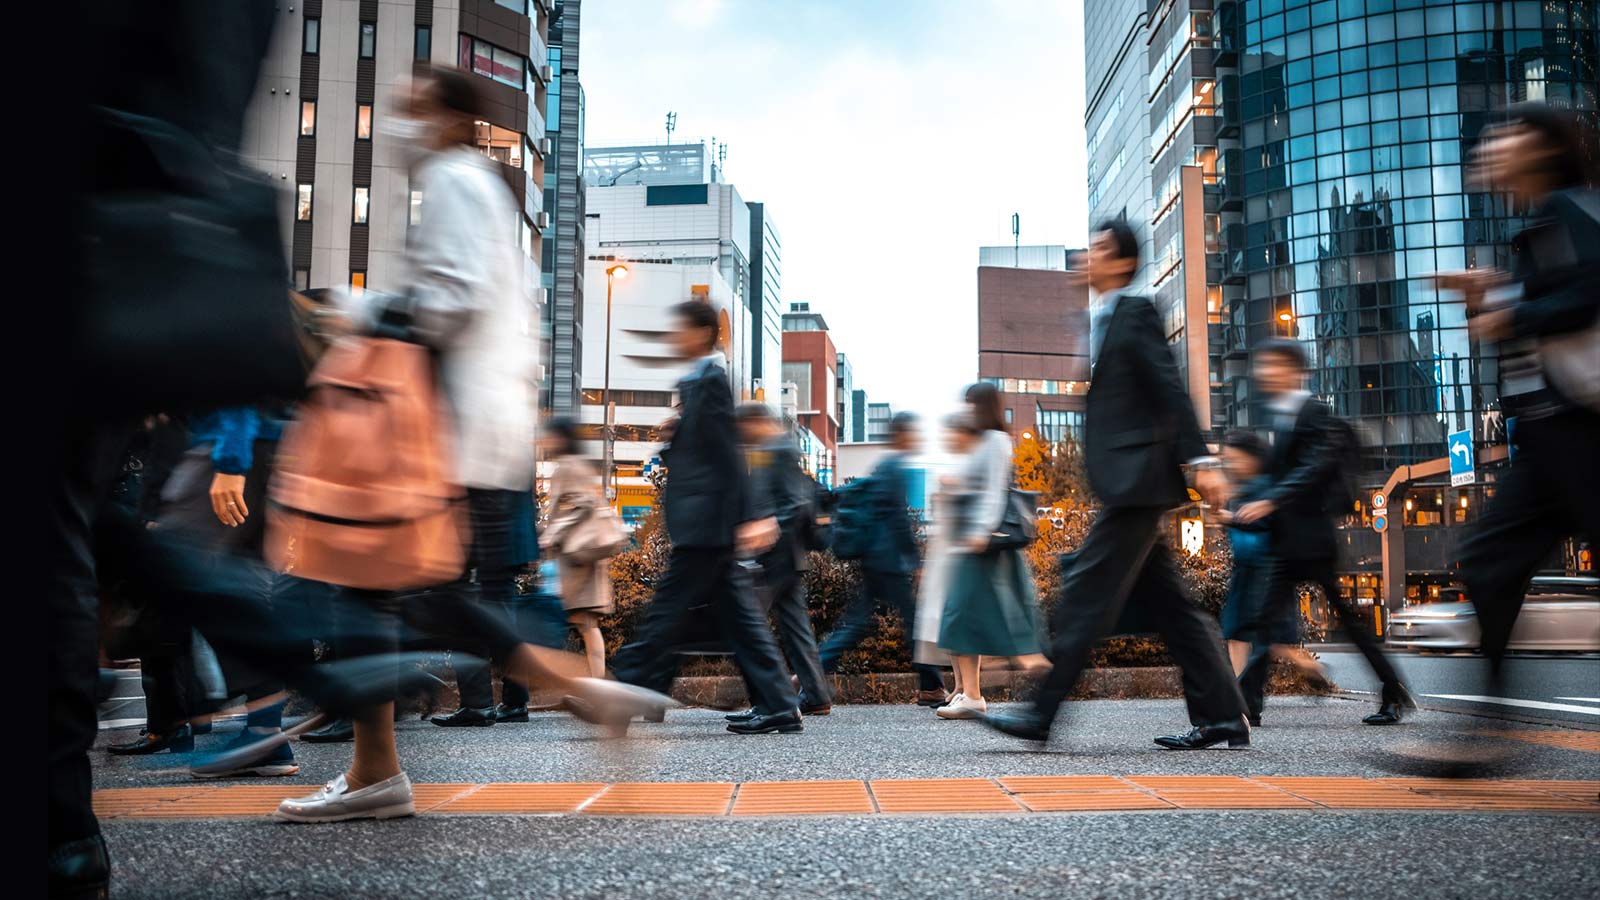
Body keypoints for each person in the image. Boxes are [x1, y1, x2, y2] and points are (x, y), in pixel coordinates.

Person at [272, 68, 670, 823]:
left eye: (413, 108)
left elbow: (449, 300)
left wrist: (353, 314)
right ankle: (384, 767)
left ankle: (382, 771)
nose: (400, 123)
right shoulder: (478, 189)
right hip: (471, 428)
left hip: (438, 432)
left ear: (450, 118)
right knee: (410, 594)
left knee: (371, 586)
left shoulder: (456, 181)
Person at [982, 219, 1250, 750]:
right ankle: (1223, 716)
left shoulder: (1135, 311)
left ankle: (1041, 714)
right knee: (1174, 610)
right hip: (1130, 482)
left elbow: (1169, 387)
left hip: (1140, 482)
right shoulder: (1099, 319)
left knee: (1085, 596)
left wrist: (1198, 459)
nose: (1089, 256)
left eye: (1101, 249)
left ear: (1123, 263)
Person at [1436, 103, 1600, 771]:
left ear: (1539, 145)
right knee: (1487, 564)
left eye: (1504, 137)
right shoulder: (1541, 223)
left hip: (1584, 431)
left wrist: (1509, 309)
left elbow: (1589, 293)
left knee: (1489, 563)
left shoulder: (1571, 207)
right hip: (1547, 439)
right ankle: (1488, 734)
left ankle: (1487, 736)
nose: (1490, 149)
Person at [608, 300, 804, 736]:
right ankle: (778, 704)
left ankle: (621, 692)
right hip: (708, 523)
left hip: (708, 524)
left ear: (699, 332)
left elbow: (727, 453)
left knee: (665, 612)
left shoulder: (710, 381)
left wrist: (752, 515)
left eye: (678, 329)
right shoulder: (699, 383)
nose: (673, 338)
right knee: (739, 621)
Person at [1232, 339, 1404, 726]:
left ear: (1294, 370)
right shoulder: (1283, 416)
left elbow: (1313, 469)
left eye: (1272, 365)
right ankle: (1246, 705)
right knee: (1263, 624)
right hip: (1288, 542)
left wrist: (1271, 500)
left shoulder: (1314, 413)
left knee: (1347, 622)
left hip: (1311, 541)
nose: (1264, 373)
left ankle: (1392, 690)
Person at [818, 412, 951, 707]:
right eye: (915, 433)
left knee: (859, 623)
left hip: (875, 558)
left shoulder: (885, 466)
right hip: (888, 561)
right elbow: (899, 522)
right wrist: (916, 562)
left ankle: (811, 671)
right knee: (912, 623)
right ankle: (931, 687)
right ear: (903, 434)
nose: (918, 439)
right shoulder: (895, 468)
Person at [934, 386, 1047, 720]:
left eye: (969, 403)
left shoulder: (996, 441)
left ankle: (976, 691)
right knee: (962, 616)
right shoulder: (985, 441)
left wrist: (982, 531)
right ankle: (970, 692)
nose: (966, 409)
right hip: (971, 541)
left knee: (963, 615)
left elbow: (995, 491)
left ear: (981, 406)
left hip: (981, 542)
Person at [1216, 429, 1334, 726]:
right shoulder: (1240, 490)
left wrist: (1232, 519)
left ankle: (1303, 669)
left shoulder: (1268, 486)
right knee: (1236, 633)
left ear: (1253, 458)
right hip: (1244, 570)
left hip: (1266, 571)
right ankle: (1242, 701)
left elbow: (1267, 524)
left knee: (1267, 638)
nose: (1231, 466)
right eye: (1227, 461)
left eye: (1235, 459)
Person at [730, 403, 832, 717]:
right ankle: (815, 696)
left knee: (748, 627)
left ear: (758, 422)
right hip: (785, 556)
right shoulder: (770, 448)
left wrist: (768, 529)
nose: (742, 433)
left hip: (776, 555)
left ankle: (769, 700)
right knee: (796, 629)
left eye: (744, 426)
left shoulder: (779, 448)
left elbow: (796, 502)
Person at [540, 417, 615, 679]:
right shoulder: (577, 465)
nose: (545, 441)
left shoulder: (568, 467)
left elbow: (582, 504)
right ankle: (598, 683)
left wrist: (552, 534)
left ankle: (598, 685)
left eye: (549, 436)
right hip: (580, 555)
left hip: (576, 557)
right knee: (584, 623)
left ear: (561, 438)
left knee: (584, 623)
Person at [910, 413, 973, 705]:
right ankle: (960, 686)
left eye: (952, 432)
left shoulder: (972, 463)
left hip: (959, 554)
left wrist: (950, 489)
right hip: (946, 553)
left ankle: (967, 689)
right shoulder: (960, 464)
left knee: (957, 621)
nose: (948, 438)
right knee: (947, 621)